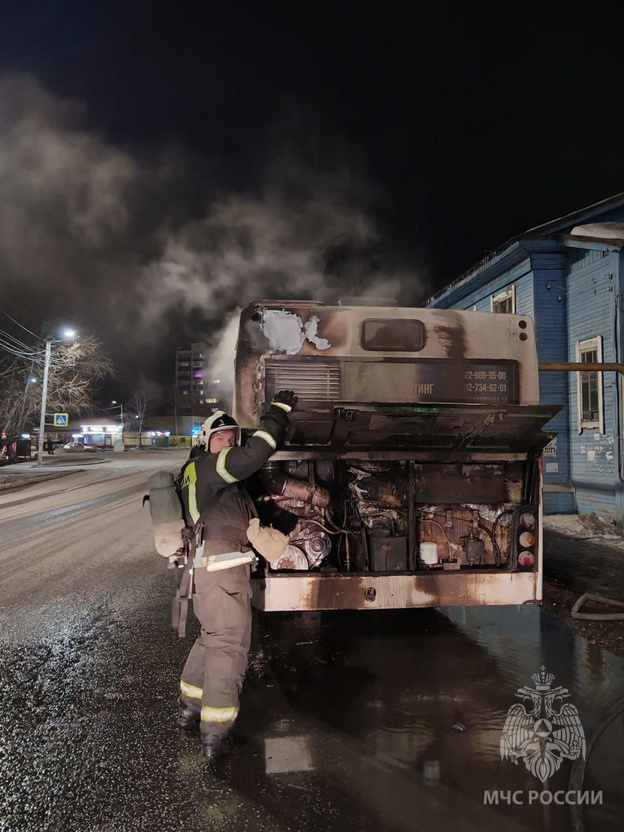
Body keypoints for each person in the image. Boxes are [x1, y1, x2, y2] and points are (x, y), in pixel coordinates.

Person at [176, 390, 297, 760]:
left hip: (209, 573)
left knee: (212, 638)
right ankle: (216, 735)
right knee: (230, 648)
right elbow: (255, 453)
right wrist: (277, 413)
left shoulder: (204, 476)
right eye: (221, 437)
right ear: (206, 442)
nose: (228, 442)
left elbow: (239, 518)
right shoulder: (210, 467)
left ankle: (189, 708)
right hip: (223, 572)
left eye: (232, 438)